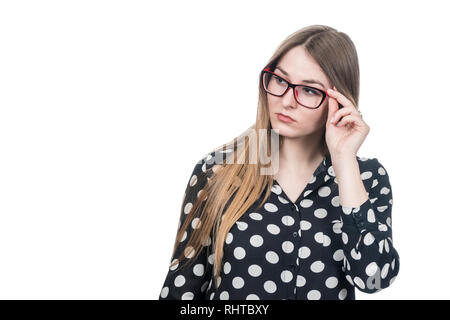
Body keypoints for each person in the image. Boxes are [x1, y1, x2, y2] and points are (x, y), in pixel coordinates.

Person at [158, 24, 400, 300]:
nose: (286, 101)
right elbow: (181, 291)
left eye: (309, 90)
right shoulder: (217, 170)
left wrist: (344, 160)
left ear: (340, 101)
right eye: (281, 81)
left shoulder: (365, 176)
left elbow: (374, 278)